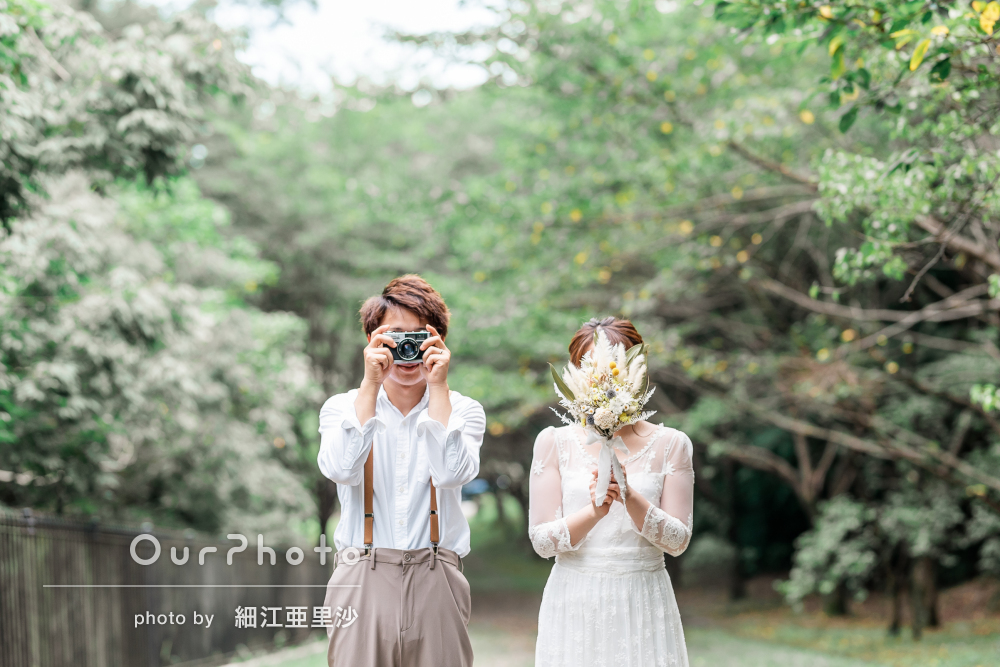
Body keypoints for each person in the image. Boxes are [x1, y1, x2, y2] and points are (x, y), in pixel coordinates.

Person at [317, 275, 485, 667]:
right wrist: (370, 386)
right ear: (372, 341)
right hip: (362, 573)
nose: (406, 350)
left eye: (418, 337)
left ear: (439, 341)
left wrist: (438, 388)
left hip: (436, 574)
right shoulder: (342, 407)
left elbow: (450, 474)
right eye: (394, 337)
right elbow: (341, 468)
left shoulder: (463, 409)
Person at [528, 317, 694, 667]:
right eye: (590, 368)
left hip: (643, 599)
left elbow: (678, 541)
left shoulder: (672, 444)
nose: (604, 377)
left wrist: (631, 499)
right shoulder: (552, 442)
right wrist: (593, 512)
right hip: (573, 600)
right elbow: (542, 542)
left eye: (616, 366)